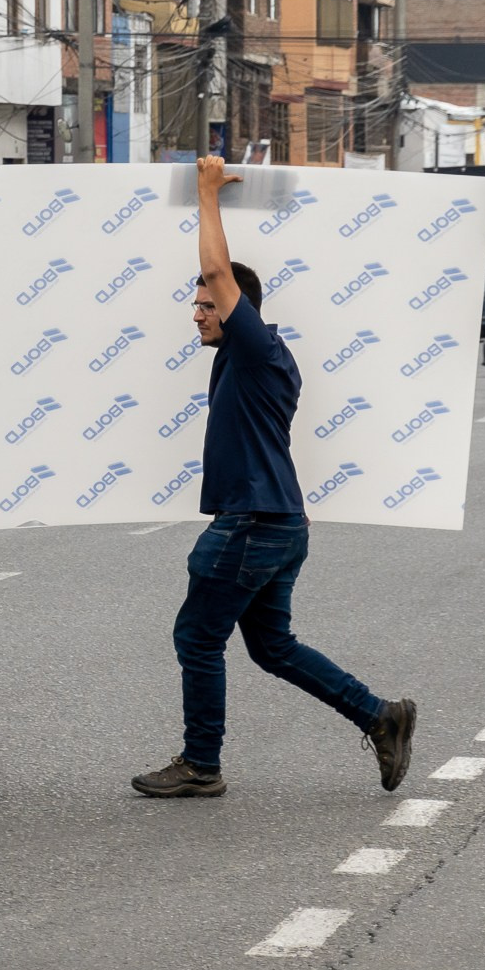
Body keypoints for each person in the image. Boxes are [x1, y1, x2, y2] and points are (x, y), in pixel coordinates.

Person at [133, 157, 415, 800]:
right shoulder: (255, 359)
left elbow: (217, 269)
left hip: (254, 524)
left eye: (208, 305)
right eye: (196, 305)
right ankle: (380, 717)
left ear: (236, 310)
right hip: (281, 522)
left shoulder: (256, 348)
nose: (198, 312)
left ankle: (201, 765)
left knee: (196, 638)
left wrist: (207, 194)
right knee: (272, 647)